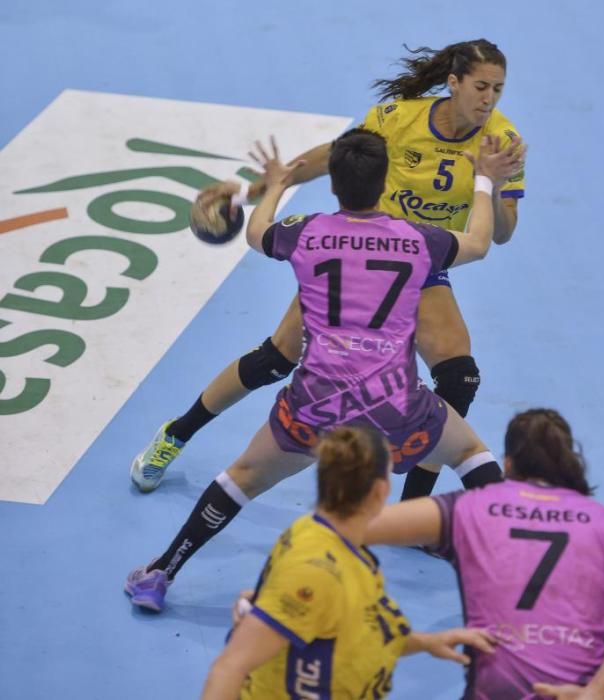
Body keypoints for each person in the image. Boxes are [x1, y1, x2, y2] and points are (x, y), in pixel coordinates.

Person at [125, 127, 508, 612]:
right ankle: (514, 569)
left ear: (333, 186)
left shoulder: (306, 231)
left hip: (315, 406)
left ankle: (159, 574)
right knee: (470, 451)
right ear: (384, 180)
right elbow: (478, 242)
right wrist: (484, 180)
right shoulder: (420, 239)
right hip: (396, 410)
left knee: (241, 478)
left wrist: (278, 183)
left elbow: (255, 232)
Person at [130, 38, 526, 501]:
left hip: (418, 259)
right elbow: (333, 157)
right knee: (277, 357)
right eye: (481, 86)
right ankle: (175, 435)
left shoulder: (504, 142)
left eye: (498, 89)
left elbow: (502, 234)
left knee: (459, 377)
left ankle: (415, 505)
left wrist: (493, 183)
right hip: (359, 250)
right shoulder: (401, 119)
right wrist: (247, 193)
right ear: (453, 83)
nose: (489, 99)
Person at [364, 409, 604, 700]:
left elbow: (357, 526)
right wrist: (599, 689)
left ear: (508, 464)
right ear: (570, 462)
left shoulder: (470, 508)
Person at [199, 426, 497, 700]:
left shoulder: (339, 548)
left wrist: (428, 643)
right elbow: (230, 667)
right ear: (381, 491)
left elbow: (359, 633)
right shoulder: (314, 571)